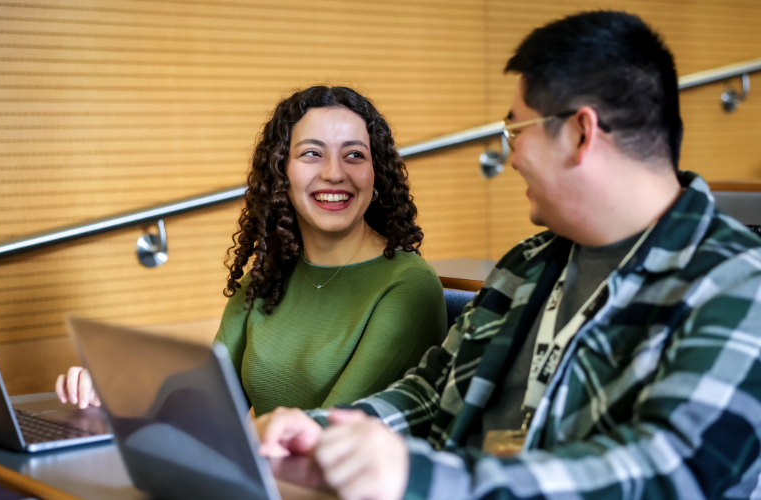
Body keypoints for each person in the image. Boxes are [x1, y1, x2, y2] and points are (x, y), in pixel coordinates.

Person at [255, 12, 761, 500]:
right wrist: (318, 433)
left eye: (517, 131)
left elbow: (667, 474)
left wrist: (418, 477)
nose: (512, 156)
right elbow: (432, 393)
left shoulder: (738, 285)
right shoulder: (527, 264)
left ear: (581, 133)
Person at [55, 86, 447, 415]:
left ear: (375, 174)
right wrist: (116, 388)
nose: (334, 172)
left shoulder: (408, 287)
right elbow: (205, 404)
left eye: (354, 155)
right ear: (282, 174)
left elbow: (331, 432)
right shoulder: (267, 280)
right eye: (312, 153)